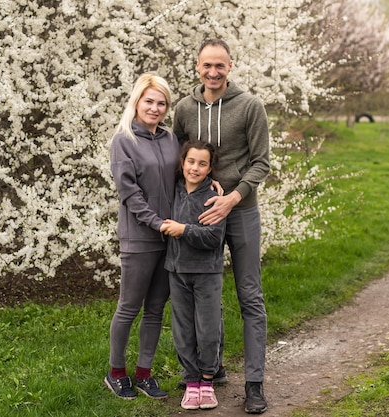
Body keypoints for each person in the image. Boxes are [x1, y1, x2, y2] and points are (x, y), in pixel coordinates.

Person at [173, 39, 271, 414]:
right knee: (203, 290)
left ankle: (255, 383)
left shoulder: (250, 106)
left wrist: (233, 197)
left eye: (220, 65)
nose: (213, 72)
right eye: (206, 65)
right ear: (197, 66)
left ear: (231, 66)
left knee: (249, 294)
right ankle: (212, 369)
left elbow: (261, 162)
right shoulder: (184, 108)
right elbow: (180, 161)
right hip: (200, 215)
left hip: (241, 212)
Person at [105, 73, 181, 400]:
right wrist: (157, 223)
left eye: (161, 103)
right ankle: (116, 372)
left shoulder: (169, 139)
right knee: (129, 306)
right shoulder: (123, 140)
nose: (155, 107)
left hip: (170, 238)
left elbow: (182, 181)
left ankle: (144, 373)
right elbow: (129, 193)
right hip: (139, 238)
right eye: (149, 101)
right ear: (137, 101)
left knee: (155, 309)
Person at [162, 140, 226, 410]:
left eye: (202, 163)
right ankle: (190, 379)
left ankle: (208, 378)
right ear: (182, 162)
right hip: (177, 271)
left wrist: (183, 230)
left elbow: (214, 237)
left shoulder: (213, 197)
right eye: (190, 161)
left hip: (206, 273)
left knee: (208, 327)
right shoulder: (172, 190)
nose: (195, 168)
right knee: (183, 328)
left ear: (210, 168)